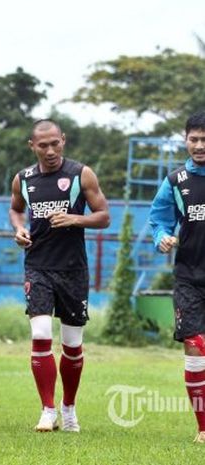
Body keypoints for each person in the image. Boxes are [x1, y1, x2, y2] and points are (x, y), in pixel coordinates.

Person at [9, 118, 110, 433]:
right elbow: (15, 209)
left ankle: (68, 407)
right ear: (32, 146)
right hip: (37, 266)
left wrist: (75, 219)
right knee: (40, 335)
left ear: (63, 140)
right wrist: (19, 228)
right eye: (43, 145)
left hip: (72, 270)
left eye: (55, 143)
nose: (50, 150)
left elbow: (104, 216)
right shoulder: (23, 178)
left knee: (72, 344)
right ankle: (47, 410)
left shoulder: (81, 174)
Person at [149, 111, 205, 443]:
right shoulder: (175, 181)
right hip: (188, 276)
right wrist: (162, 239)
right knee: (194, 348)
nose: (200, 146)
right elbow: (159, 221)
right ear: (185, 140)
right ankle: (203, 428)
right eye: (194, 139)